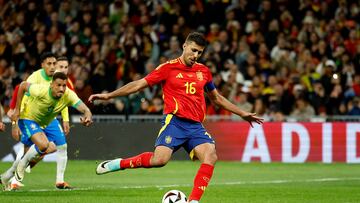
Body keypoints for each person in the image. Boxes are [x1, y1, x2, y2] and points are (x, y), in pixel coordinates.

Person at [89, 32, 263, 203]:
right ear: (184, 46)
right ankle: (119, 164)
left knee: (211, 156)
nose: (196, 55)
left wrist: (242, 113)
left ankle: (193, 201)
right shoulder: (167, 68)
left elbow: (216, 98)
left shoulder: (204, 72)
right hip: (175, 122)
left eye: (200, 53)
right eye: (193, 50)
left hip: (195, 126)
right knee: (159, 160)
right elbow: (139, 84)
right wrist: (109, 96)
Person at [1, 71, 92, 191]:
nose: (62, 89)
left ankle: (7, 176)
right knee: (43, 145)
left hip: (47, 122)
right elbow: (22, 86)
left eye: (64, 86)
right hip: (28, 119)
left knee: (56, 147)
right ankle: (22, 164)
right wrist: (17, 110)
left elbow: (86, 109)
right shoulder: (41, 90)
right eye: (58, 85)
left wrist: (87, 116)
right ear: (51, 85)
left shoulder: (69, 94)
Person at [4, 53, 76, 190]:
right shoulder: (35, 77)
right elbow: (21, 90)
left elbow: (65, 101)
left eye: (63, 66)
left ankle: (59, 181)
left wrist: (65, 119)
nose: (57, 68)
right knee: (31, 150)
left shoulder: (63, 81)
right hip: (31, 117)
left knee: (60, 147)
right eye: (52, 64)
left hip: (50, 118)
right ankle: (12, 179)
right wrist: (15, 120)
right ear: (43, 65)